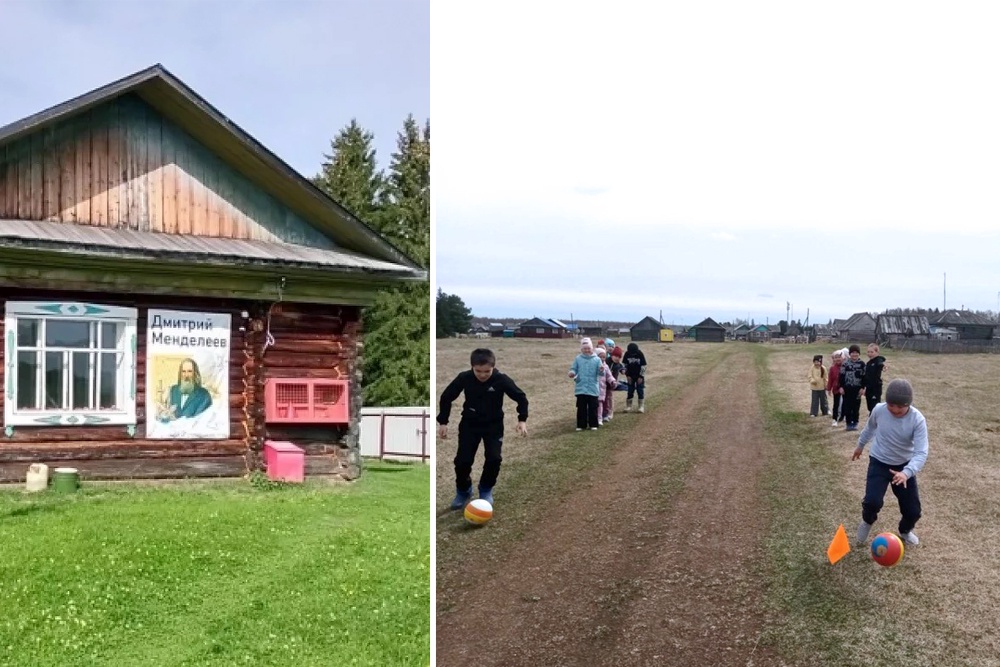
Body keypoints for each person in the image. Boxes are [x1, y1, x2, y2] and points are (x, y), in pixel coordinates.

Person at [437, 348, 529, 509]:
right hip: (469, 424)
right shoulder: (464, 378)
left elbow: (521, 398)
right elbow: (446, 397)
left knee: (494, 458)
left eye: (487, 371)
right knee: (462, 461)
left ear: (493, 367)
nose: (482, 375)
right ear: (472, 367)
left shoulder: (501, 379)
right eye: (478, 371)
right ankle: (463, 490)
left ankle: (486, 489)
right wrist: (443, 421)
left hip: (493, 425)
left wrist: (522, 420)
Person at [852, 379, 927, 547]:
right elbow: (870, 428)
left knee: (913, 511)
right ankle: (867, 521)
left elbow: (921, 452)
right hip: (879, 462)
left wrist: (906, 472)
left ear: (908, 404)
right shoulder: (879, 410)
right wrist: (860, 445)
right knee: (872, 502)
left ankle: (905, 531)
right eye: (891, 405)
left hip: (903, 468)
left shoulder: (917, 420)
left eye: (901, 407)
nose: (895, 410)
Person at [569, 337, 603, 430]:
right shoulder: (578, 358)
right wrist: (572, 373)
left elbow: (601, 373)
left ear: (592, 348)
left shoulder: (597, 359)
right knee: (581, 407)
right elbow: (574, 369)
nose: (587, 350)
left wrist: (601, 370)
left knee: (593, 407)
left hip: (593, 387)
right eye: (584, 348)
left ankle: (593, 424)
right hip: (581, 387)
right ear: (581, 349)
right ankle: (581, 425)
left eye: (588, 348)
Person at [838, 344, 866, 431]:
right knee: (847, 407)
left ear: (859, 354)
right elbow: (841, 376)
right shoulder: (845, 364)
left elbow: (864, 377)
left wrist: (862, 388)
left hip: (857, 390)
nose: (854, 354)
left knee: (856, 407)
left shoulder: (862, 364)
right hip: (847, 389)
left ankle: (855, 422)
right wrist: (841, 387)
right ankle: (849, 423)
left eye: (856, 352)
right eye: (853, 353)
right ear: (849, 354)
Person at [622, 341, 648, 413]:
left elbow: (644, 366)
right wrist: (627, 375)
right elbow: (624, 365)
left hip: (639, 375)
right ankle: (628, 406)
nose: (633, 354)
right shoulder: (627, 354)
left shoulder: (640, 354)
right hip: (630, 376)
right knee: (630, 390)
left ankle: (641, 406)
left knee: (640, 390)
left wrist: (640, 376)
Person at [863, 343, 888, 414]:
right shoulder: (868, 364)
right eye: (868, 352)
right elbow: (866, 376)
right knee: (869, 406)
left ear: (877, 352)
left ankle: (875, 420)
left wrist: (883, 367)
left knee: (875, 406)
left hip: (875, 388)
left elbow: (881, 364)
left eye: (872, 352)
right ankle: (871, 417)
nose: (869, 354)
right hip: (869, 388)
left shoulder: (878, 360)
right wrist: (864, 387)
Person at [595, 347, 618, 423]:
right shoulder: (593, 365)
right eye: (600, 357)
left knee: (602, 403)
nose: (602, 358)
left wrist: (613, 381)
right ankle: (594, 417)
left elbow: (609, 376)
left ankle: (602, 416)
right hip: (593, 388)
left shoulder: (606, 366)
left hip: (602, 388)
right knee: (594, 404)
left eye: (604, 357)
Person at [826, 350, 845, 427]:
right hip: (836, 388)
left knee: (845, 404)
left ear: (843, 358)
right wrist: (829, 389)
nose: (838, 359)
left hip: (844, 389)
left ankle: (842, 416)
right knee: (836, 404)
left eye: (839, 357)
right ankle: (834, 419)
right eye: (836, 357)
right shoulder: (832, 368)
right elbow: (830, 379)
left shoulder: (845, 366)